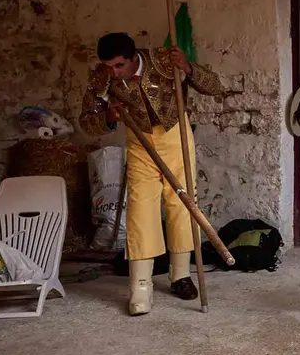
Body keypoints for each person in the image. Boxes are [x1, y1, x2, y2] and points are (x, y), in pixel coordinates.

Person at [79, 32, 222, 315]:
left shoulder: (164, 60)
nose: (113, 72)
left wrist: (189, 68)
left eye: (119, 65)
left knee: (182, 205)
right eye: (108, 66)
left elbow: (214, 86)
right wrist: (108, 117)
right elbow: (88, 122)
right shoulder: (102, 78)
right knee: (140, 211)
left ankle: (180, 275)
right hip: (140, 144)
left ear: (134, 57)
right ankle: (141, 287)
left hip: (176, 138)